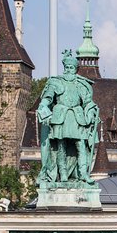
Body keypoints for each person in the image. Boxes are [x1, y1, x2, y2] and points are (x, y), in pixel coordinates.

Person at [36, 49, 100, 185]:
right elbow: (47, 98)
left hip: (77, 117)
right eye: (67, 67)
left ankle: (83, 174)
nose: (69, 70)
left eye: (72, 67)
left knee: (81, 145)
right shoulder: (56, 82)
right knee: (61, 146)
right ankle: (63, 174)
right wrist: (43, 106)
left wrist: (91, 111)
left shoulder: (81, 84)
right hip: (61, 116)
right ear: (64, 68)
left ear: (76, 69)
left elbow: (88, 101)